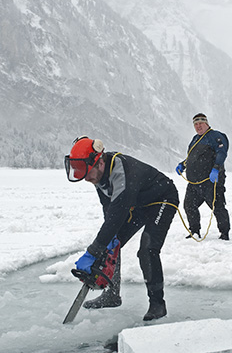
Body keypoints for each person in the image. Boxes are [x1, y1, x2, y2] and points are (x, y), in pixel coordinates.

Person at [65, 136, 179, 321]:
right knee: (111, 245)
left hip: (162, 199)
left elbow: (118, 214)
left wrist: (93, 251)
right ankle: (112, 295)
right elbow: (109, 212)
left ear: (100, 162)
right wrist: (104, 246)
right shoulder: (97, 176)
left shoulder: (122, 171)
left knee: (147, 250)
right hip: (138, 203)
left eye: (88, 173)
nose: (87, 179)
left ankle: (158, 305)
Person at [175, 113, 231, 240]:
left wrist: (216, 169)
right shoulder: (195, 139)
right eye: (195, 124)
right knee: (189, 205)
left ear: (206, 123)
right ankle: (195, 231)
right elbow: (191, 158)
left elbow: (222, 153)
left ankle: (224, 233)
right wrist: (183, 165)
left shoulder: (216, 136)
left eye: (200, 123)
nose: (198, 126)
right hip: (194, 182)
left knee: (217, 207)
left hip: (211, 181)